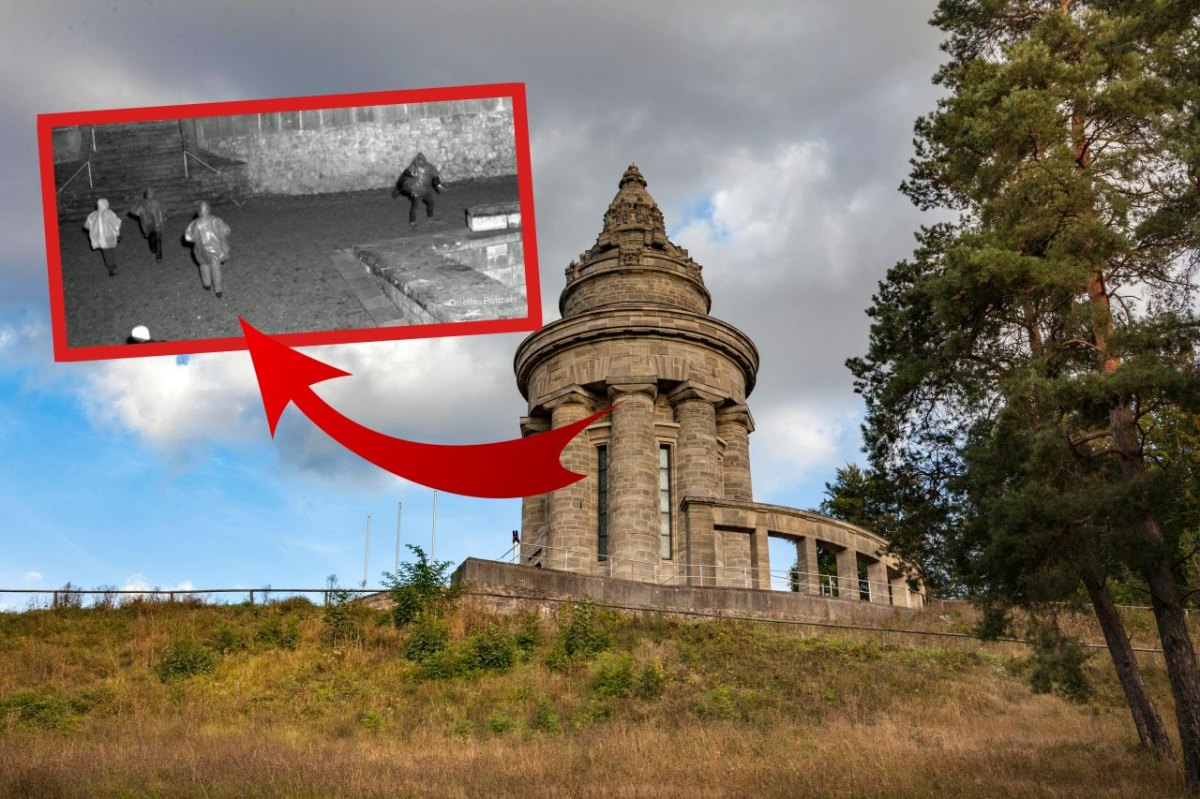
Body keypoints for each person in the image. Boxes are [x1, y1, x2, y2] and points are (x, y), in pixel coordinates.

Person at [183, 201, 232, 298]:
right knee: (216, 269)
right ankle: (218, 290)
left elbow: (188, 237)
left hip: (201, 250)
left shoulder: (195, 223)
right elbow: (227, 230)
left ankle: (207, 284)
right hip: (215, 250)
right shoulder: (216, 220)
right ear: (208, 209)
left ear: (199, 211)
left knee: (204, 266)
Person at [391, 152, 444, 225]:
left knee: (431, 202)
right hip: (416, 190)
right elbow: (406, 172)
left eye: (422, 161)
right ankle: (412, 221)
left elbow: (435, 177)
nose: (420, 163)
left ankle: (430, 217)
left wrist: (438, 184)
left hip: (425, 190)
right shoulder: (414, 166)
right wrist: (411, 174)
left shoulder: (430, 167)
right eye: (419, 161)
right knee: (415, 206)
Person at [83, 198, 121, 277]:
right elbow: (116, 224)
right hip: (109, 235)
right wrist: (117, 234)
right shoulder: (109, 213)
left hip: (100, 238)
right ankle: (112, 267)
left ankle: (111, 266)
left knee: (106, 252)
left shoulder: (93, 215)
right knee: (111, 250)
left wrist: (95, 231)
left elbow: (87, 226)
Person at [130, 187, 168, 262]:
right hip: (158, 223)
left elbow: (134, 210)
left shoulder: (142, 203)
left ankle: (153, 248)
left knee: (151, 236)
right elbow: (164, 210)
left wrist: (141, 214)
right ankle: (159, 256)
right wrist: (165, 216)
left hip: (148, 223)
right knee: (158, 239)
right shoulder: (158, 201)